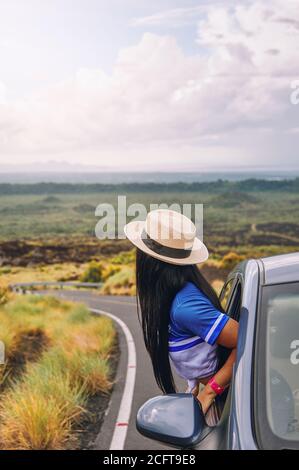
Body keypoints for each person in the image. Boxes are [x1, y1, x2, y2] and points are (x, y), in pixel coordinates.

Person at [124, 209, 238, 422]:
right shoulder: (174, 298)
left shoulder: (185, 308)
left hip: (228, 403)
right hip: (226, 398)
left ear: (150, 262)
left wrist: (210, 392)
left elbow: (249, 340)